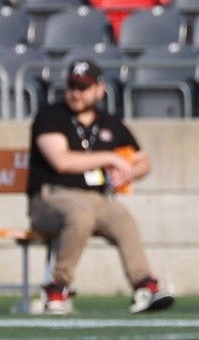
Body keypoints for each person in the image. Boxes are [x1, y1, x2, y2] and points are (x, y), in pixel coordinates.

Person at [26, 60, 173, 316]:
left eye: (83, 87)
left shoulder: (109, 122)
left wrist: (127, 172)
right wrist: (110, 159)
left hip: (95, 197)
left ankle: (143, 284)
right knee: (79, 215)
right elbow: (62, 162)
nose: (76, 92)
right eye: (72, 85)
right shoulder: (51, 115)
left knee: (121, 216)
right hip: (51, 196)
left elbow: (143, 161)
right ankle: (57, 286)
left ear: (99, 89)